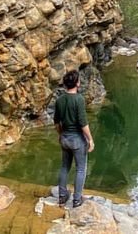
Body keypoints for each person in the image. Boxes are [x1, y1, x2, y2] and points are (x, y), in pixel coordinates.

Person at [53, 70, 95, 207]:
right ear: (77, 83)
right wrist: (90, 139)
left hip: (64, 138)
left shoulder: (59, 100)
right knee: (81, 169)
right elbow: (83, 123)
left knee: (64, 167)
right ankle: (77, 200)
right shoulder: (79, 99)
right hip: (77, 139)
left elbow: (56, 123)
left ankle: (62, 196)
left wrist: (60, 135)